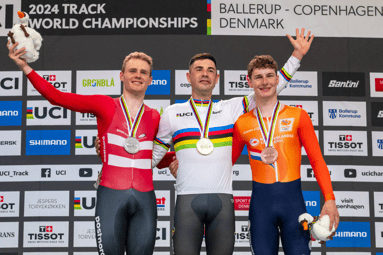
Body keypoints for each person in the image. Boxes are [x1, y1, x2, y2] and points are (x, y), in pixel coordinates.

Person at [151, 28, 314, 255]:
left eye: (210, 70)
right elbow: (151, 157)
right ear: (188, 77)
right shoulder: (171, 113)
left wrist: (296, 56)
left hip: (222, 203)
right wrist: (111, 162)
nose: (204, 74)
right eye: (198, 69)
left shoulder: (232, 108)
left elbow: (270, 86)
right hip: (187, 201)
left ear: (217, 78)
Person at [8, 41, 173, 255]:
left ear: (151, 80)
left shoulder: (155, 116)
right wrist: (25, 67)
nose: (138, 75)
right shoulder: (104, 105)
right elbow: (57, 97)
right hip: (111, 197)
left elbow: (153, 159)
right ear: (121, 75)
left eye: (144, 72)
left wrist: (176, 159)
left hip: (145, 198)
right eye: (132, 70)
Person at [231, 54, 339, 255]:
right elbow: (223, 163)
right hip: (261, 209)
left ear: (277, 79)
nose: (265, 82)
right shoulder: (242, 123)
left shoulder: (298, 116)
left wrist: (330, 199)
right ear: (249, 81)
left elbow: (316, 160)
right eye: (259, 77)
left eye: (270, 76)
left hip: (294, 207)